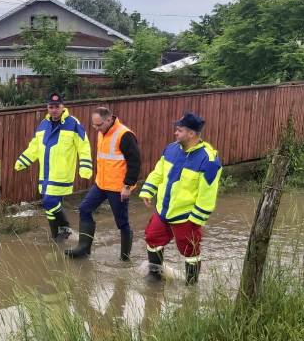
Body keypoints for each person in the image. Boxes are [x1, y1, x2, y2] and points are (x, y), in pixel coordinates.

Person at [139, 112, 222, 285]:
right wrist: (148, 190)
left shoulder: (209, 160)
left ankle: (191, 286)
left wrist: (196, 220)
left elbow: (207, 195)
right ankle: (155, 276)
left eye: (179, 130)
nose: (175, 133)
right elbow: (158, 172)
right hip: (163, 210)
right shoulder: (171, 148)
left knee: (190, 251)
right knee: (152, 238)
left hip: (186, 217)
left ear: (191, 134)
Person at [65, 107, 141, 260]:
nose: (96, 129)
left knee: (122, 223)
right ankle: (84, 247)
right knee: (84, 209)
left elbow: (135, 163)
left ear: (108, 119)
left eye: (98, 125)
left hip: (118, 188)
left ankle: (125, 258)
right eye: (93, 125)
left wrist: (127, 186)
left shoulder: (125, 135)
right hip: (101, 184)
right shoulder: (102, 133)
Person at [15, 92, 92, 241]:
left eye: (57, 106)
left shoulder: (73, 123)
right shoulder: (43, 125)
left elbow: (84, 146)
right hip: (45, 174)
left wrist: (85, 166)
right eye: (51, 107)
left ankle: (65, 227)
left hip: (61, 174)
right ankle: (57, 237)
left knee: (49, 202)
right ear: (47, 108)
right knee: (50, 207)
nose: (54, 110)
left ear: (63, 106)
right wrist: (23, 160)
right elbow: (34, 147)